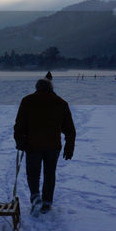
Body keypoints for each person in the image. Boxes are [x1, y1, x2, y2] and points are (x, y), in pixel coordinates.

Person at [13, 74, 76, 211]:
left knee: (33, 173)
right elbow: (70, 130)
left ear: (37, 88)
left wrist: (20, 141)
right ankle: (47, 202)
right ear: (51, 88)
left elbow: (19, 125)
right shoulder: (61, 103)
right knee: (50, 173)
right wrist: (69, 148)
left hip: (33, 145)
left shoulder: (27, 101)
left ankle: (35, 196)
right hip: (53, 146)